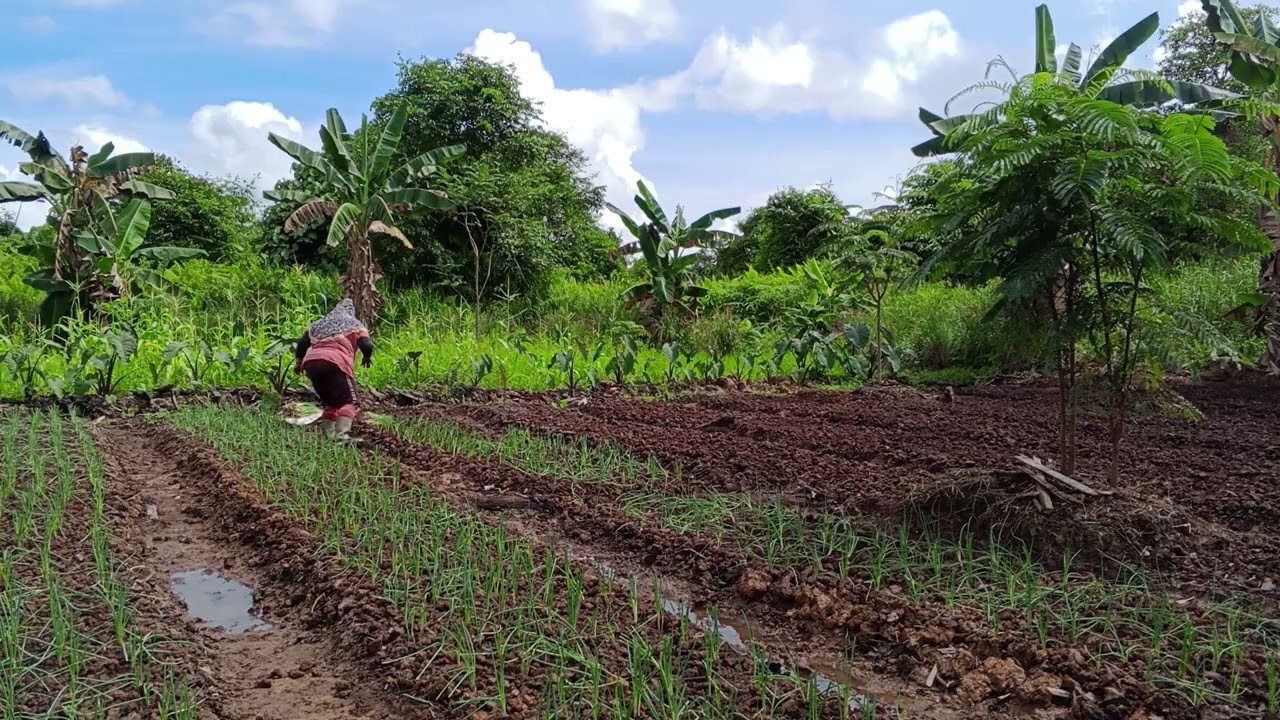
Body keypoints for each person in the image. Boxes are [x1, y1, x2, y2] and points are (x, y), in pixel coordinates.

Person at [295, 299, 373, 441]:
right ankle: (342, 435)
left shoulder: (318, 324)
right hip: (335, 363)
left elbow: (302, 344)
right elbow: (367, 344)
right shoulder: (355, 324)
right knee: (350, 402)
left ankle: (328, 435)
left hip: (311, 363)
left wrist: (298, 362)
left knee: (332, 402)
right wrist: (367, 357)